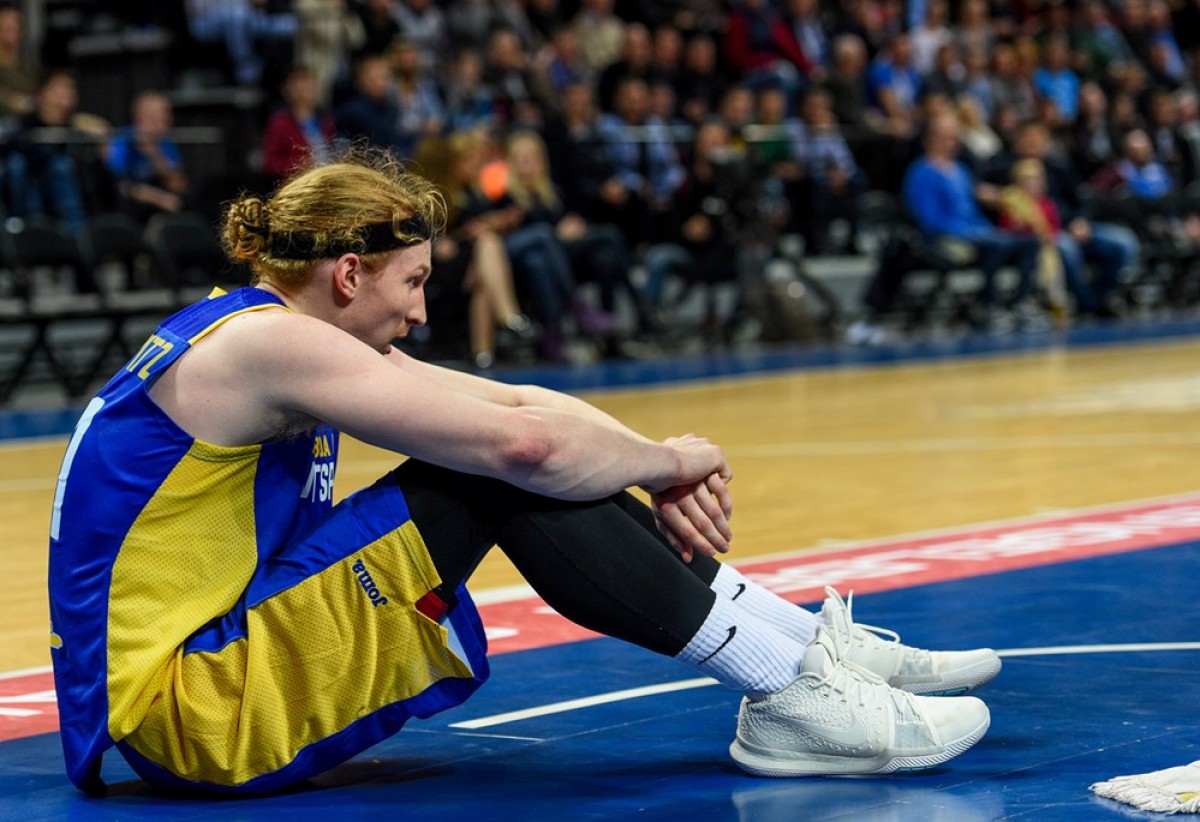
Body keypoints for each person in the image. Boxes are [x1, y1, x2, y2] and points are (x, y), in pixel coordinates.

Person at [49, 148, 997, 796]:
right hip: (196, 712)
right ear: (348, 274)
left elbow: (517, 402)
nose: (421, 314)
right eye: (414, 282)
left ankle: (797, 647)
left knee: (516, 453)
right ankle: (788, 690)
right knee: (497, 474)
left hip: (213, 672)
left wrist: (654, 463)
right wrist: (671, 462)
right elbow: (524, 450)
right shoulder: (271, 349)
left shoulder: (253, 330)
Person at [105, 91, 189, 221]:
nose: (161, 127)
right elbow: (119, 186)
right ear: (139, 120)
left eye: (164, 120)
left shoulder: (165, 142)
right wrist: (157, 198)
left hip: (162, 209)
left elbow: (178, 185)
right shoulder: (123, 140)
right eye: (155, 120)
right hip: (129, 209)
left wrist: (154, 155)